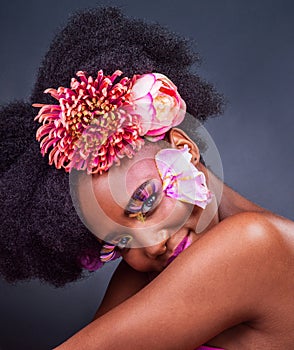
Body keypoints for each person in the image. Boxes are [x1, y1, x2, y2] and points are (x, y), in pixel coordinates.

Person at [1, 6, 293, 350]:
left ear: (185, 148)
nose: (151, 245)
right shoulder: (148, 269)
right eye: (119, 241)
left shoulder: (254, 245)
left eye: (147, 200)